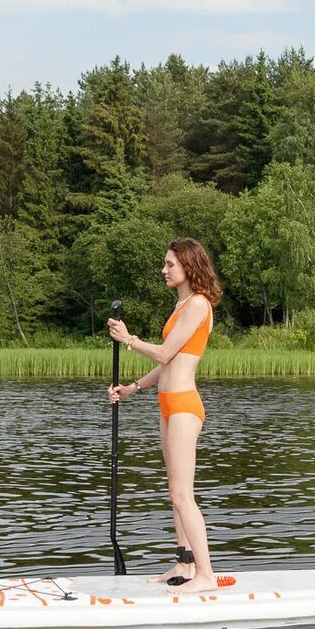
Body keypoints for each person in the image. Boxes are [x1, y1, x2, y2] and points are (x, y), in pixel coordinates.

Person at [106, 239, 221, 592]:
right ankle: (185, 565)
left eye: (170, 264)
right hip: (167, 405)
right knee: (175, 493)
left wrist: (129, 339)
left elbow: (165, 351)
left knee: (182, 493)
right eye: (165, 263)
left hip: (185, 406)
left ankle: (206, 576)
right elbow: (168, 363)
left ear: (188, 265)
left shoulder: (198, 305)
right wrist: (133, 388)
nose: (164, 269)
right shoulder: (181, 305)